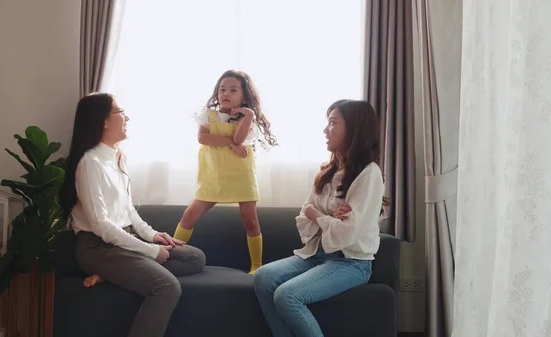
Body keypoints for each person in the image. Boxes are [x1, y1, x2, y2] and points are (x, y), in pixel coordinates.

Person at [58, 92, 206, 337]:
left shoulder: (118, 157)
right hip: (99, 247)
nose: (127, 117)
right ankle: (117, 269)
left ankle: (110, 275)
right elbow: (101, 225)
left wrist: (154, 236)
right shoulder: (89, 163)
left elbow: (128, 211)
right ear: (104, 122)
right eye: (120, 111)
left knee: (194, 257)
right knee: (166, 287)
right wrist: (150, 251)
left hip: (123, 241)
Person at [253, 99, 385, 337]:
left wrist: (318, 215)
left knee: (288, 295)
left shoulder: (369, 175)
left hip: (351, 262)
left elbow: (345, 233)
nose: (325, 130)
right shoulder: (328, 171)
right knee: (263, 277)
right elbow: (304, 212)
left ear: (354, 128)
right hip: (317, 253)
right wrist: (327, 218)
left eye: (333, 123)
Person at [172, 70, 278, 274]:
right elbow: (203, 138)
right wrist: (228, 142)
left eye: (233, 90)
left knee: (250, 220)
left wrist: (250, 115)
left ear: (244, 95)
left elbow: (239, 139)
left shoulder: (247, 118)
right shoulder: (208, 114)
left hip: (241, 175)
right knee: (189, 215)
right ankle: (171, 255)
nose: (226, 94)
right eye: (222, 89)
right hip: (214, 175)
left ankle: (256, 265)